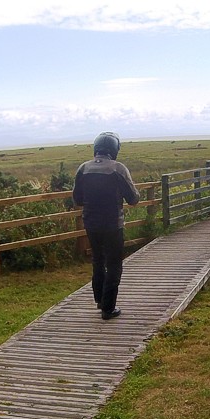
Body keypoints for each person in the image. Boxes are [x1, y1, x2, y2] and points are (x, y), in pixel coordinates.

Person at [72, 132, 140, 320]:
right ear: (114, 149)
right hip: (112, 224)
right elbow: (133, 199)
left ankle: (100, 300)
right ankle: (108, 308)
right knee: (114, 264)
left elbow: (77, 199)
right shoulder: (118, 168)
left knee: (98, 261)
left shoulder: (83, 168)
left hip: (91, 223)